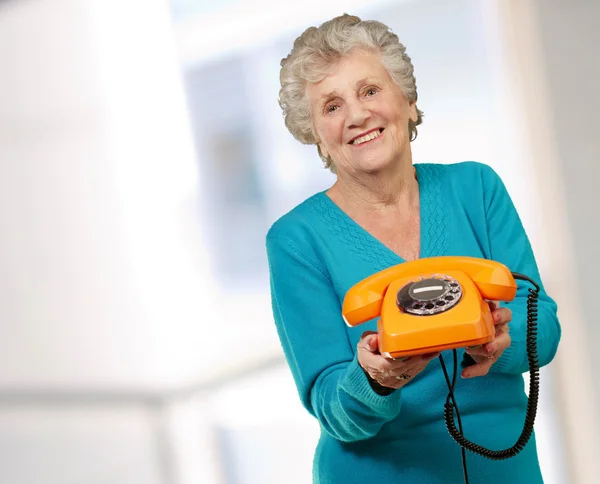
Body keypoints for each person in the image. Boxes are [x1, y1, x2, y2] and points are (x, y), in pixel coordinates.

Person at [265, 13, 561, 484]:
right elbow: (330, 405)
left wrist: (500, 342)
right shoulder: (296, 240)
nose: (357, 115)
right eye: (332, 106)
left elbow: (542, 325)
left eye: (369, 91)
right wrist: (374, 380)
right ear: (316, 134)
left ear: (410, 102)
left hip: (505, 467)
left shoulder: (477, 189)